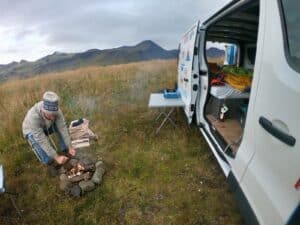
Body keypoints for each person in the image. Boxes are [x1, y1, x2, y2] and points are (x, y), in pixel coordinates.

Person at [22, 91, 76, 166]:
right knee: (40, 145)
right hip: (30, 130)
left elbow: (63, 128)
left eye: (54, 114)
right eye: (50, 115)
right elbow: (42, 140)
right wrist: (56, 157)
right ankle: (49, 163)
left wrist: (70, 146)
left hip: (47, 126)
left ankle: (65, 149)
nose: (53, 117)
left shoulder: (57, 111)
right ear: (43, 111)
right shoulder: (33, 117)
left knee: (59, 127)